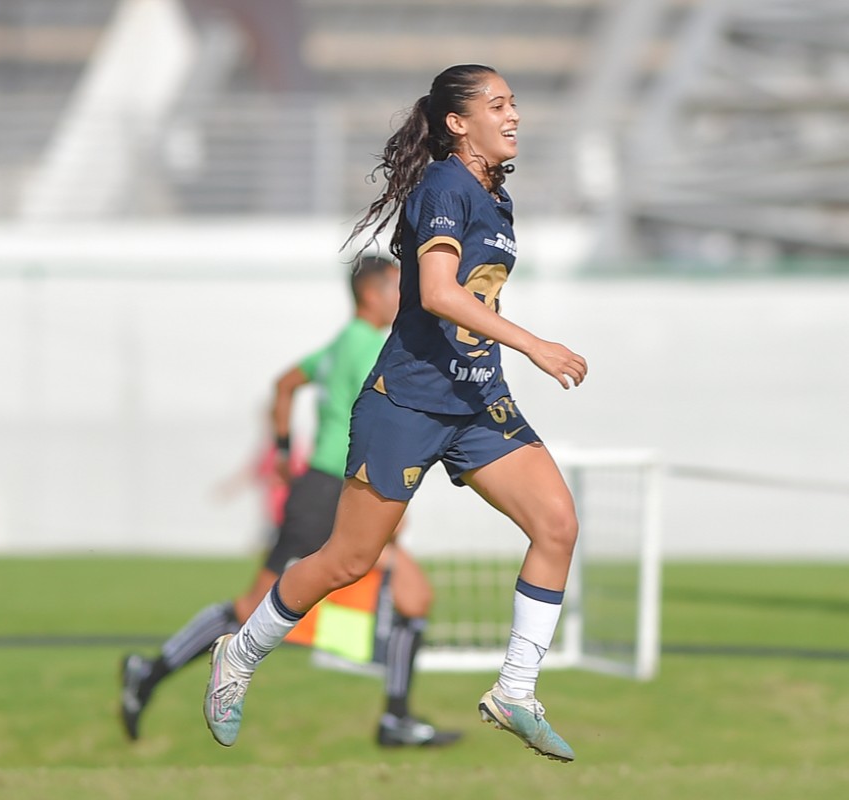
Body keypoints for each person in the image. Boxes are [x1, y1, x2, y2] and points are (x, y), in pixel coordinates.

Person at [202, 64, 588, 763]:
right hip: (407, 403)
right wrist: (534, 344)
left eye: (514, 103)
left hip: (478, 401)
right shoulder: (443, 185)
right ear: (457, 124)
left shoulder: (495, 196)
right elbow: (438, 293)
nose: (514, 115)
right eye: (497, 104)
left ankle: (515, 692)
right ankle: (241, 653)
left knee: (558, 525)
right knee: (347, 561)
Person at [121, 255, 461, 747]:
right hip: (330, 494)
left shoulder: (342, 344)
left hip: (332, 490)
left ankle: (396, 720)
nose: (403, 295)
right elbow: (381, 426)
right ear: (371, 294)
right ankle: (150, 671)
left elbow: (285, 385)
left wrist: (283, 451)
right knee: (251, 608)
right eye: (396, 287)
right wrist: (391, 499)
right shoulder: (372, 346)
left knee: (414, 597)